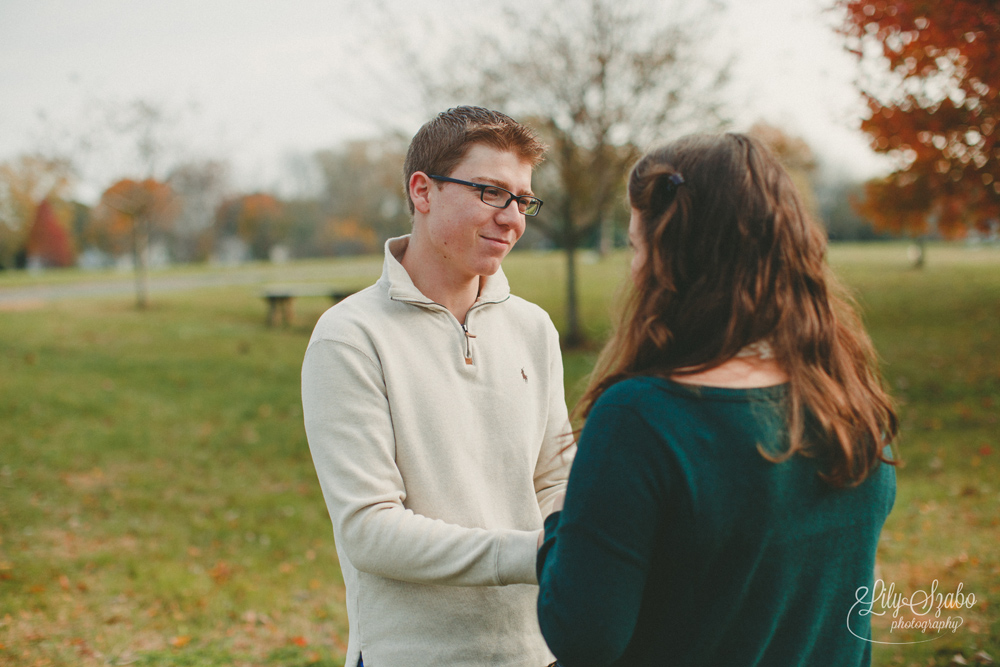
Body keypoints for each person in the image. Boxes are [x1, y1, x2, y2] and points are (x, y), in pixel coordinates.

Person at [535, 133, 898, 666]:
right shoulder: (846, 395)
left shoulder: (641, 419)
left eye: (637, 246)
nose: (633, 270)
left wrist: (558, 526)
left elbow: (583, 636)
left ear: (670, 257)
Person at [302, 106, 574, 667]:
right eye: (490, 192)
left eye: (522, 200)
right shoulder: (350, 337)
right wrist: (535, 554)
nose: (512, 218)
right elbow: (370, 529)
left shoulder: (533, 327)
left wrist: (580, 532)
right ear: (422, 192)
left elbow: (553, 476)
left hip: (539, 650)